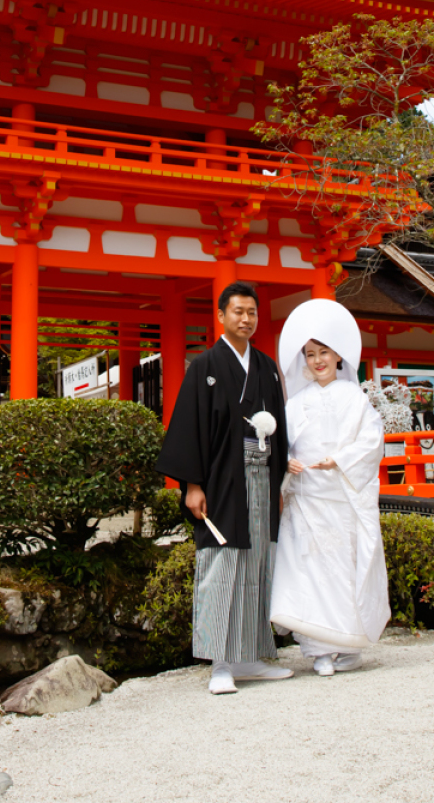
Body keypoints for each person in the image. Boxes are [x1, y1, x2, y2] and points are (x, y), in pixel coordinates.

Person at [156, 281, 291, 695]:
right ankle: (220, 663)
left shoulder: (267, 367)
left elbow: (281, 429)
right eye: (238, 312)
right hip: (221, 479)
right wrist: (192, 485)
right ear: (220, 316)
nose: (246, 319)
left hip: (262, 477)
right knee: (222, 563)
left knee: (258, 563)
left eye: (252, 312)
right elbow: (190, 427)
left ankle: (251, 656)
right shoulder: (205, 366)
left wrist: (279, 483)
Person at [270, 298, 390, 676]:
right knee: (307, 571)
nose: (317, 360)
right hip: (306, 498)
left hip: (340, 499)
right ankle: (318, 650)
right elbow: (282, 443)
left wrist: (338, 459)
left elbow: (372, 441)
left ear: (338, 355)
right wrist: (285, 461)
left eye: (323, 352)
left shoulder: (354, 397)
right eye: (310, 354)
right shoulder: (296, 403)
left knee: (341, 572)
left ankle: (347, 644)